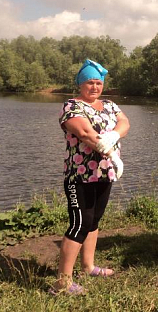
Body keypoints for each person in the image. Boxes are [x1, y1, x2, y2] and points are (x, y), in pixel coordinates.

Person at [51, 59, 130, 295]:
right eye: (89, 82)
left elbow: (125, 122)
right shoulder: (71, 106)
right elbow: (84, 132)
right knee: (79, 225)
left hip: (104, 174)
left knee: (94, 221)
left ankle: (88, 266)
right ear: (80, 84)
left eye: (98, 83)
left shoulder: (109, 105)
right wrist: (109, 151)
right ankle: (62, 283)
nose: (94, 87)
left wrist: (114, 135)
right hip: (80, 176)